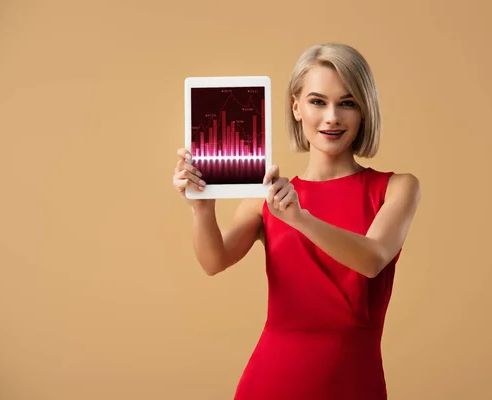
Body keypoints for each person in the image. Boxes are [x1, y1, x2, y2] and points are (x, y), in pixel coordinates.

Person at [173, 43, 421, 400]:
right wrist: (202, 207)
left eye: (347, 102)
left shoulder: (397, 187)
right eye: (318, 102)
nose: (332, 117)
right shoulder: (267, 197)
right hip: (271, 380)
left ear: (364, 110)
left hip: (353, 382)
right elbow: (214, 261)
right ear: (296, 107)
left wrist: (300, 219)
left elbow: (372, 259)